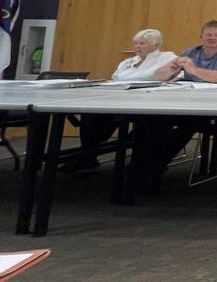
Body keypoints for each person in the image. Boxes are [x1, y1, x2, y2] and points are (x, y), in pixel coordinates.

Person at [63, 28, 176, 173]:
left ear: (155, 45)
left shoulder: (167, 57)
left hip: (150, 102)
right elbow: (116, 77)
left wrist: (130, 78)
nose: (137, 46)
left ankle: (139, 164)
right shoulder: (128, 61)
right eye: (136, 43)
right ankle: (88, 155)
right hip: (119, 98)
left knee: (150, 123)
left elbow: (156, 76)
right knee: (91, 113)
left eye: (142, 43)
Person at [148, 21, 217, 184]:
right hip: (186, 101)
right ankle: (145, 163)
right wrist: (170, 68)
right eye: (208, 35)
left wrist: (194, 70)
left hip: (214, 105)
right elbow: (159, 77)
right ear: (201, 37)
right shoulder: (190, 52)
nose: (212, 38)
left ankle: (154, 166)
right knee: (154, 121)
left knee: (189, 124)